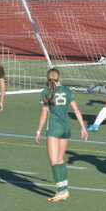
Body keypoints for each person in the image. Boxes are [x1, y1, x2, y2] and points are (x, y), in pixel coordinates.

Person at [35, 68, 88, 201]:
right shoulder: (67, 90)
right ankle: (65, 189)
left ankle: (61, 191)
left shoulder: (46, 92)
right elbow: (76, 110)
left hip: (54, 128)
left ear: (48, 79)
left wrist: (38, 131)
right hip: (66, 128)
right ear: (59, 78)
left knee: (54, 162)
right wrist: (83, 128)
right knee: (60, 159)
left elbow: (43, 115)